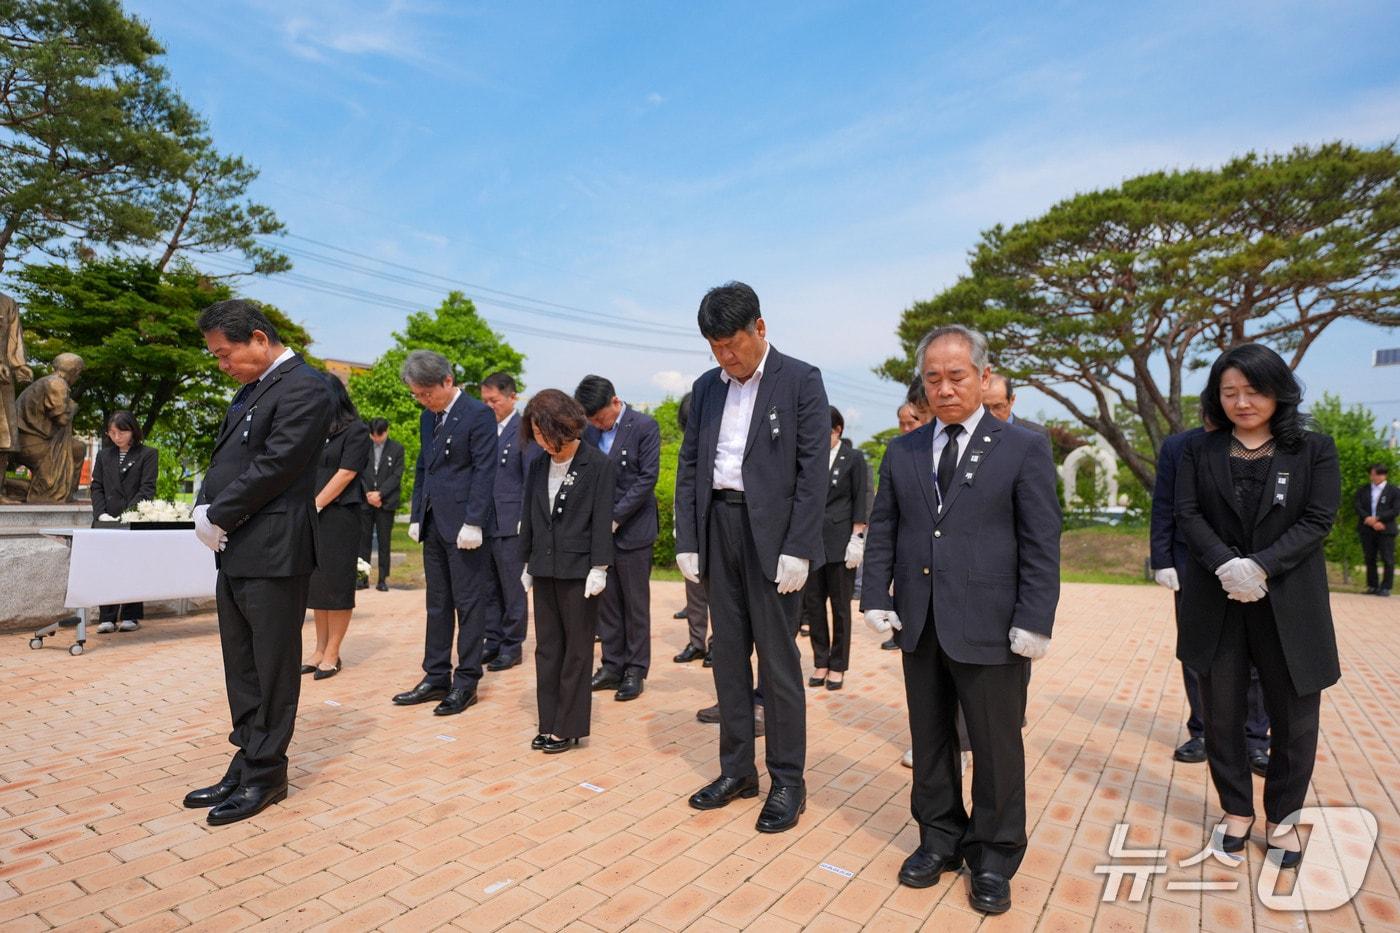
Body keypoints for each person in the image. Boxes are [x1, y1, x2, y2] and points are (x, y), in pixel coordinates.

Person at [862, 324, 1060, 914]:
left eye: (956, 376)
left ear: (982, 375)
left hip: (993, 625)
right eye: (933, 378)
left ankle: (994, 854)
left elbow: (1041, 540)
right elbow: (885, 528)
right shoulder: (902, 450)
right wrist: (874, 595)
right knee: (930, 739)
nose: (944, 389)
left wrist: (1035, 618)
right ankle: (939, 838)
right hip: (920, 620)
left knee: (996, 746)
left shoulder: (1022, 446)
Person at [1176, 343, 1341, 870]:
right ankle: (1236, 811)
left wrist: (1262, 566)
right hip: (1218, 597)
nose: (1242, 402)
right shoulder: (1198, 449)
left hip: (1289, 601)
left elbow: (1317, 520)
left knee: (1295, 718)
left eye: (1253, 391)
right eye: (1229, 392)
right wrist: (1227, 565)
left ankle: (1283, 819)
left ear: (1278, 392)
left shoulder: (1313, 448)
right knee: (1221, 713)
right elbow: (1187, 513)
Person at [675, 281, 828, 835]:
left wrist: (799, 548)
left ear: (759, 328)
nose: (725, 356)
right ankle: (737, 770)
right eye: (714, 347)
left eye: (732, 344)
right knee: (728, 656)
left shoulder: (801, 380)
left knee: (778, 663)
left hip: (774, 537)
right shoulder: (706, 389)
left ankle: (788, 780)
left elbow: (812, 471)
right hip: (718, 526)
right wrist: (687, 538)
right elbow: (690, 466)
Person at [185, 300, 332, 826]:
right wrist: (203, 507)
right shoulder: (252, 389)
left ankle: (267, 773)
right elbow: (225, 460)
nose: (222, 364)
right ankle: (247, 756)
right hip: (237, 546)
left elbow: (278, 463)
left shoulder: (306, 387)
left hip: (274, 548)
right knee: (242, 663)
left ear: (259, 339)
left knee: (271, 666)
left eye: (225, 354)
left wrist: (218, 514)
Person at [1152, 425, 1271, 773]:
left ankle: (1254, 738)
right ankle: (1203, 731)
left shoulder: (1268, 442)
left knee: (1257, 654)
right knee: (1198, 652)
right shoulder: (1179, 446)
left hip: (1254, 565)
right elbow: (1164, 505)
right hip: (1193, 563)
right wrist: (1162, 559)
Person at [392, 350, 497, 716]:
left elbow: (484, 469)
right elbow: (424, 467)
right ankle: (436, 675)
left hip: (466, 527)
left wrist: (474, 521)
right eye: (417, 395)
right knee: (437, 603)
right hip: (434, 522)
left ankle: (466, 682)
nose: (423, 400)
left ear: (447, 381)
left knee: (468, 605)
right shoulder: (428, 417)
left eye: (427, 393)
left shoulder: (478, 414)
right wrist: (417, 514)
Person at [518, 390, 615, 753]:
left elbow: (602, 519)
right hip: (544, 566)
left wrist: (600, 567)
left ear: (563, 426)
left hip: (579, 571)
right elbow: (529, 514)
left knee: (577, 649)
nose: (541, 442)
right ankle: (549, 722)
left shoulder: (598, 464)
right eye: (535, 435)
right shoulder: (537, 464)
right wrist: (526, 561)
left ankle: (568, 726)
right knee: (547, 648)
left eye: (544, 434)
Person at [576, 375, 661, 702]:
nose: (598, 424)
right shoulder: (589, 432)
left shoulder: (644, 427)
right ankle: (612, 665)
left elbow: (646, 479)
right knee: (606, 602)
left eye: (600, 418)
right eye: (592, 421)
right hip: (599, 531)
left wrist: (615, 517)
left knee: (635, 604)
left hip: (633, 529)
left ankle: (635, 669)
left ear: (615, 401)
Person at [304, 376, 371, 680]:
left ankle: (333, 652)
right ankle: (319, 649)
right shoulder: (317, 431)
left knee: (337, 584)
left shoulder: (356, 430)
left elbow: (346, 473)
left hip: (340, 515)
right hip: (314, 513)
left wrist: (317, 504)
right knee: (318, 583)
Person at [803, 406, 868, 691]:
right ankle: (821, 661)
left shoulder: (853, 458)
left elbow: (861, 497)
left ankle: (838, 665)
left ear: (837, 430)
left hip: (841, 542)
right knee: (814, 605)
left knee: (840, 608)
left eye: (824, 431)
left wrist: (857, 537)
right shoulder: (810, 457)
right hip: (812, 542)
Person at [479, 371, 540, 671]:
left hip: (511, 523)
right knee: (489, 587)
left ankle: (512, 646)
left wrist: (525, 520)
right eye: (485, 401)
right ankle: (492, 640)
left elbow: (531, 480)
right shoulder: (484, 430)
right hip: (484, 522)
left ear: (512, 397)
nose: (489, 406)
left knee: (512, 588)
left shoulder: (523, 430)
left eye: (494, 400)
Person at [90, 411, 158, 632]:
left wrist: (127, 515)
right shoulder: (104, 455)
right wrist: (101, 514)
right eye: (112, 433)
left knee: (132, 566)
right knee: (106, 568)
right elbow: (96, 486)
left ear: (133, 431)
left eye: (122, 432)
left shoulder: (148, 454)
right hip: (106, 520)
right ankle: (107, 617)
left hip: (133, 520)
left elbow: (147, 489)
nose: (117, 437)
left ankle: (131, 615)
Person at [13, 352, 85, 502]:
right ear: (74, 371)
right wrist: (73, 406)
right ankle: (56, 494)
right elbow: (62, 419)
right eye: (78, 373)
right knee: (77, 450)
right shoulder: (57, 384)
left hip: (27, 440)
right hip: (30, 443)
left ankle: (66, 493)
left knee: (77, 448)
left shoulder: (46, 381)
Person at [673, 391, 711, 665]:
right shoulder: (685, 450)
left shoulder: (717, 445)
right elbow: (681, 492)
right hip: (691, 531)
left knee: (720, 593)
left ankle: (718, 643)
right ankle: (696, 641)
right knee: (694, 589)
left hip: (716, 527)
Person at [358, 418, 403, 591]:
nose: (376, 439)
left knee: (384, 542)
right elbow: (358, 472)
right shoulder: (363, 447)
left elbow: (396, 476)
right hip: (366, 500)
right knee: (364, 541)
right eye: (373, 436)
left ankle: (383, 579)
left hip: (386, 502)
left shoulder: (397, 449)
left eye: (380, 435)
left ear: (386, 431)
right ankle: (362, 578)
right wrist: (368, 494)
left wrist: (380, 494)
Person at [0, 292, 31, 501]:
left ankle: (0, 490)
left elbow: (14, 338)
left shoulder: (7, 303)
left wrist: (19, 365)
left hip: (3, 380)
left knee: (5, 439)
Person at [1355, 463, 1398, 596]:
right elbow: (1357, 505)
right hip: (1367, 527)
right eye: (1374, 474)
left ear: (1385, 475)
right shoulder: (1363, 490)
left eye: (1380, 474)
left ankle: (1386, 587)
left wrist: (1379, 519)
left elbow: (1395, 509)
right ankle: (1372, 585)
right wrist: (1368, 519)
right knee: (1370, 558)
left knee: (1387, 559)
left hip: (1386, 528)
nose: (1377, 476)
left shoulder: (1394, 491)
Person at [983, 374, 1048, 436]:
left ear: (1012, 400)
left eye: (998, 407)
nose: (991, 414)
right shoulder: (977, 431)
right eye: (985, 407)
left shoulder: (1037, 434)